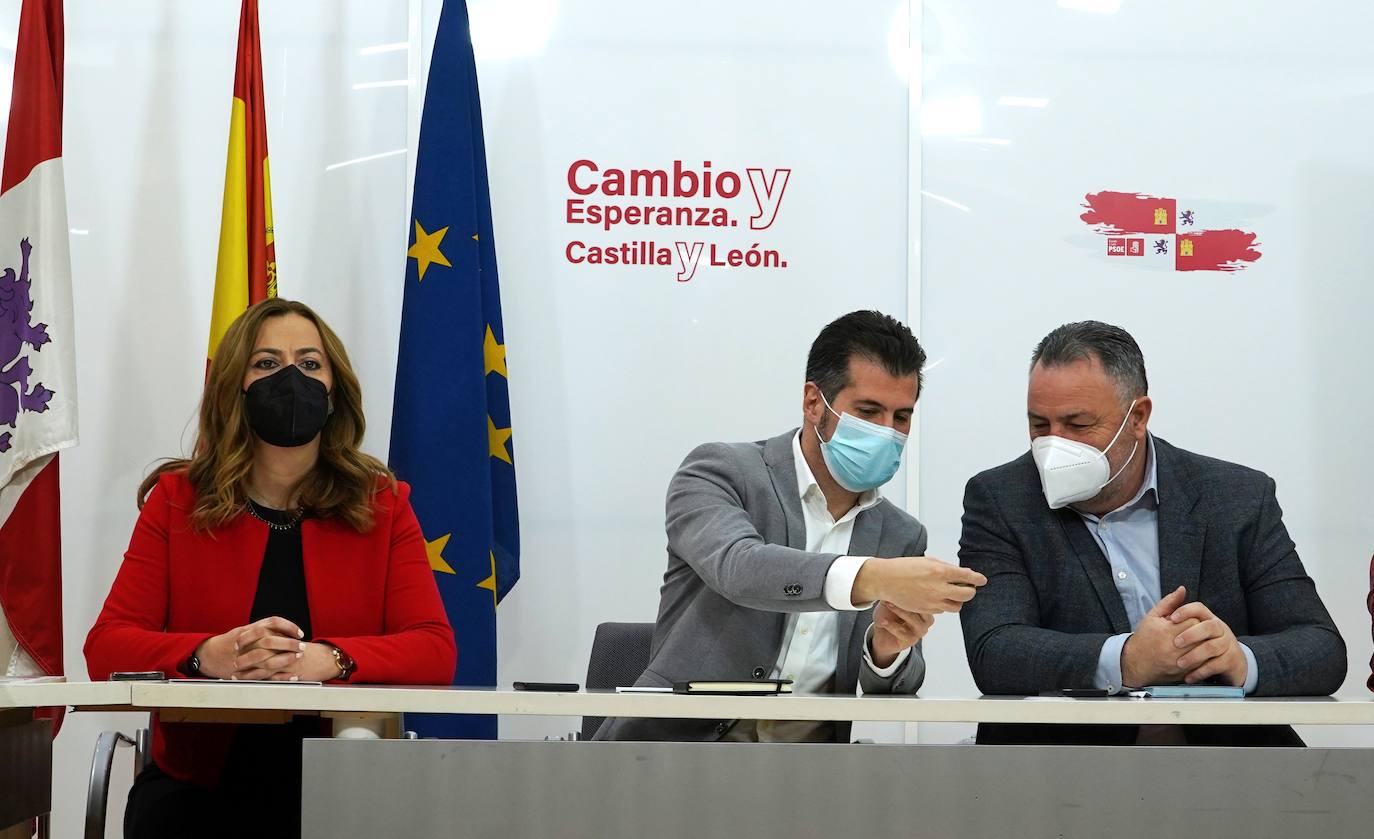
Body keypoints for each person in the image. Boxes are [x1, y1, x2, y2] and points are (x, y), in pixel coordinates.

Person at [85, 298, 456, 839]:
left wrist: (329, 659)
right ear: (236, 386)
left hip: (346, 783)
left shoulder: (382, 503)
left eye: (309, 364)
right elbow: (107, 647)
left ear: (335, 392)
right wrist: (206, 655)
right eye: (267, 363)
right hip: (197, 788)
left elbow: (435, 650)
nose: (290, 378)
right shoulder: (179, 499)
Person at [596, 310, 986, 742]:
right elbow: (739, 568)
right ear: (814, 402)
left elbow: (893, 687)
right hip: (678, 755)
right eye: (868, 411)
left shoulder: (901, 533)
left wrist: (886, 651)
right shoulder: (720, 471)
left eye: (901, 417)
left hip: (810, 772)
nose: (886, 432)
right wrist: (870, 576)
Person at [958, 320, 1345, 745]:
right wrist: (1125, 660)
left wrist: (1239, 660)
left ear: (1137, 417)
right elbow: (995, 650)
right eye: (1039, 425)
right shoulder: (1000, 499)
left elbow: (1322, 648)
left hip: (1233, 775)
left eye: (1078, 425)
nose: (1054, 445)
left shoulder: (1238, 498)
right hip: (1058, 777)